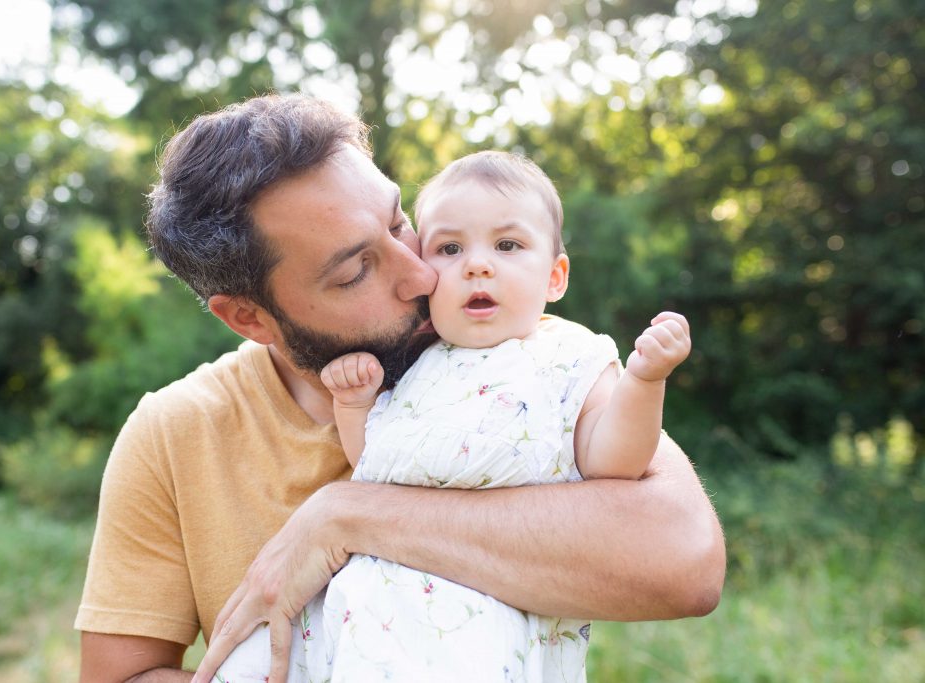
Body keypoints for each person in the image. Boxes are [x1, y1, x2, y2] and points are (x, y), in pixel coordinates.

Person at [75, 94, 725, 683]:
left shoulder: (510, 352)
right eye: (358, 267)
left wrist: (347, 516)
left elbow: (686, 563)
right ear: (249, 316)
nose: (419, 273)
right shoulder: (174, 430)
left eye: (397, 221)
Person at [208, 150, 692, 682]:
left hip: (483, 617)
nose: (477, 264)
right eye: (450, 248)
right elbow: (373, 459)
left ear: (555, 278)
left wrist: (645, 383)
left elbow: (613, 462)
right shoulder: (415, 362)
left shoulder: (571, 358)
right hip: (365, 606)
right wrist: (354, 404)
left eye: (508, 246)